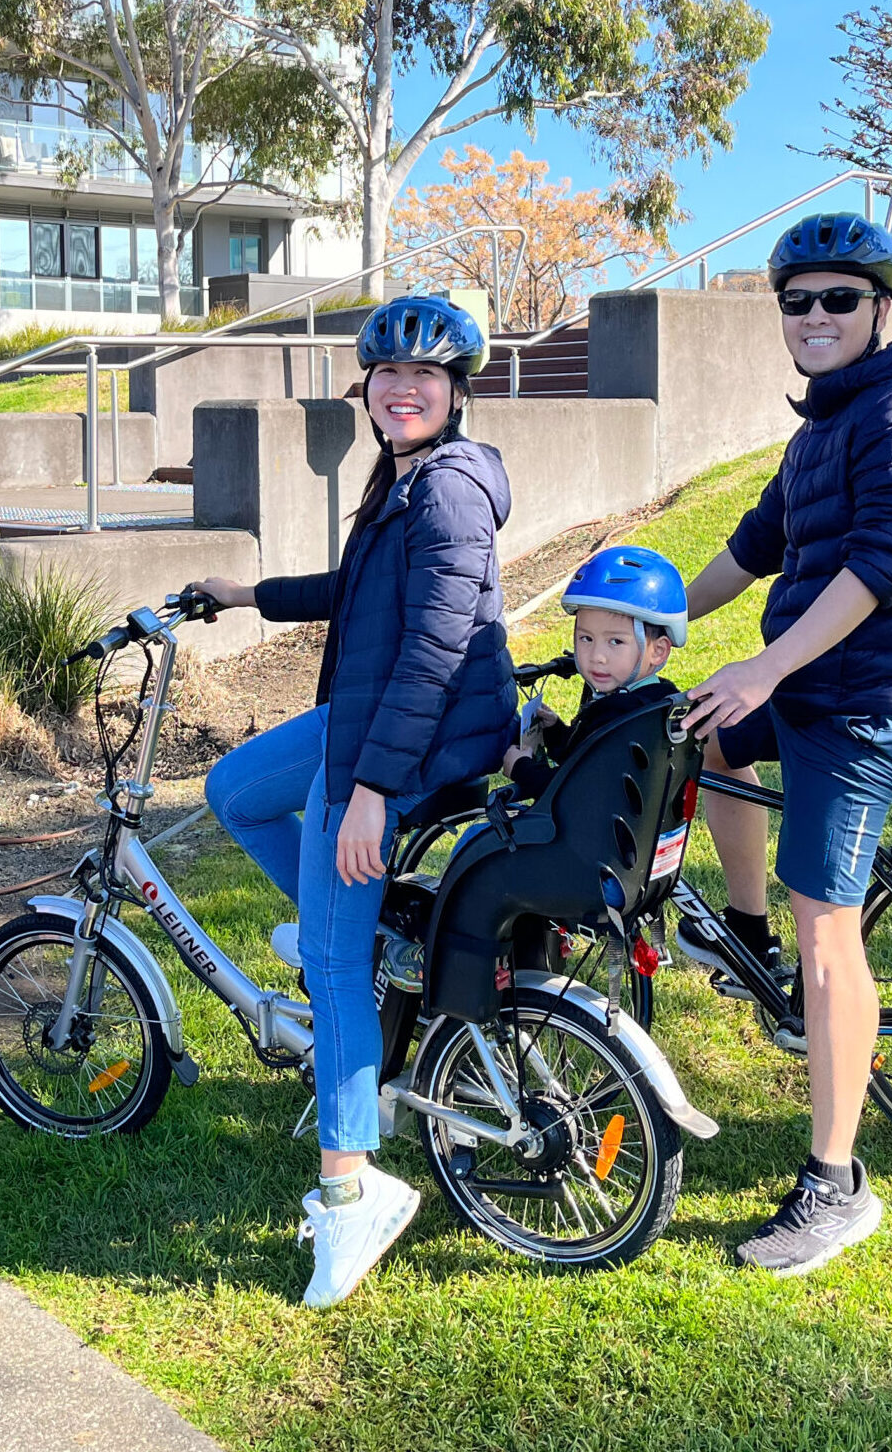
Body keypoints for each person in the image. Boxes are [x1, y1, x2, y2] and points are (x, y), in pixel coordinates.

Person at [197, 296, 517, 1310]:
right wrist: (246, 596)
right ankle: (364, 937)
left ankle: (353, 1192)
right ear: (368, 390)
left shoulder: (452, 492)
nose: (403, 389)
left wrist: (373, 793)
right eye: (386, 376)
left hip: (399, 742)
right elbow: (361, 591)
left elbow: (430, 651)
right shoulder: (407, 483)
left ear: (458, 390)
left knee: (329, 969)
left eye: (424, 377)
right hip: (363, 721)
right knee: (234, 789)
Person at [679, 212, 892, 1276]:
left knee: (830, 931)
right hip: (817, 683)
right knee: (706, 738)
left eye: (838, 298)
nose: (814, 316)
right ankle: (746, 933)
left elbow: (891, 555)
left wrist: (764, 667)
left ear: (879, 309)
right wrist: (648, 618)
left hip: (863, 701)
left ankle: (838, 1185)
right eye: (796, 301)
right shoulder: (825, 425)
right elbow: (754, 547)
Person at [502, 546, 687, 802]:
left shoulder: (618, 714)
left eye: (615, 642)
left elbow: (572, 791)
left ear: (657, 651)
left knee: (474, 838)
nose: (597, 655)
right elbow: (586, 757)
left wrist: (521, 769)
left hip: (587, 840)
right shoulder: (660, 702)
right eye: (586, 638)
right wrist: (556, 731)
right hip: (639, 837)